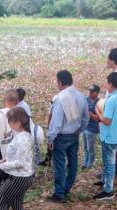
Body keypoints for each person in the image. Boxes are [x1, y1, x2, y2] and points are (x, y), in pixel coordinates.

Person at [47, 70, 89, 203]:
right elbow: (86, 118)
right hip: (74, 134)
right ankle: (66, 188)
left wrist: (50, 138)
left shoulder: (60, 98)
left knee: (59, 165)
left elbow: (56, 123)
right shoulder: (81, 96)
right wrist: (80, 130)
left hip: (61, 136)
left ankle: (59, 193)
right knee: (72, 163)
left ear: (59, 82)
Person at [93, 72, 117, 200]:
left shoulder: (112, 99)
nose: (106, 85)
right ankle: (104, 180)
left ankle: (108, 190)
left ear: (111, 84)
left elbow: (107, 121)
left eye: (107, 83)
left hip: (110, 136)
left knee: (109, 163)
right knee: (107, 160)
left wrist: (97, 112)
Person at [82, 84, 101, 170]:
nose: (90, 93)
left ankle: (90, 164)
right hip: (85, 127)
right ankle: (85, 163)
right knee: (85, 147)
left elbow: (98, 118)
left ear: (97, 93)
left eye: (92, 92)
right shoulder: (86, 100)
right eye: (89, 91)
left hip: (92, 128)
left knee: (90, 148)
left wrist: (89, 113)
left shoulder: (99, 103)